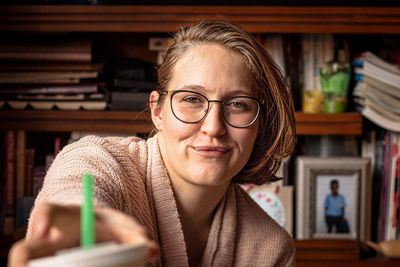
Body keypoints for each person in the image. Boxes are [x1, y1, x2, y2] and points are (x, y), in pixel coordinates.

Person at [8, 19, 296, 267]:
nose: (214, 127)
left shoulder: (272, 248)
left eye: (238, 104)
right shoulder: (99, 159)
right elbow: (76, 182)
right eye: (192, 100)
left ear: (260, 122)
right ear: (157, 111)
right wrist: (84, 222)